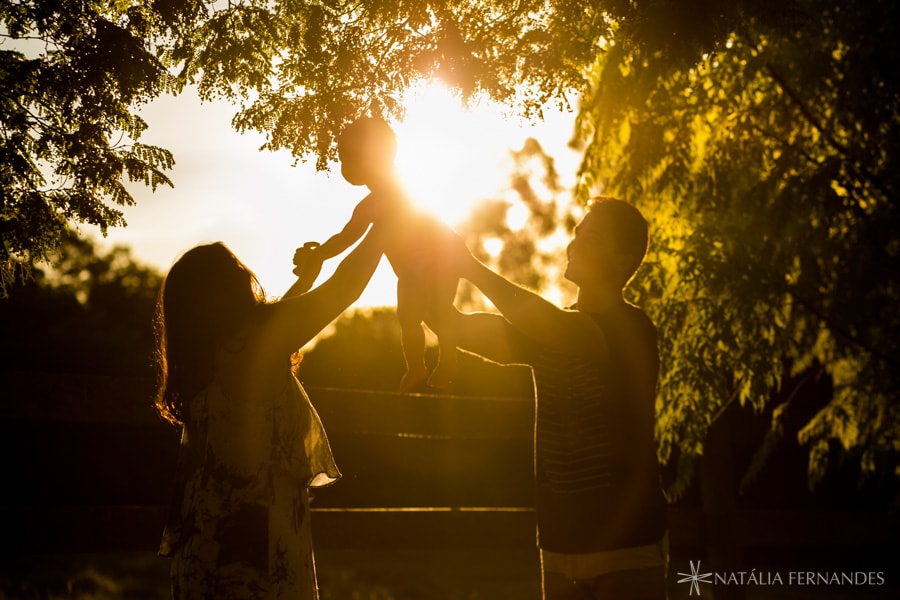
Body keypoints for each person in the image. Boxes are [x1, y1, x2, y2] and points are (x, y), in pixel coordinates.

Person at [441, 198, 668, 599]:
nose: (575, 244)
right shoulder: (548, 330)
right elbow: (455, 327)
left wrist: (470, 267)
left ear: (621, 262)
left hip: (628, 549)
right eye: (578, 233)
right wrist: (415, 266)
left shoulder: (631, 330)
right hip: (559, 550)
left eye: (592, 238)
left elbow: (552, 325)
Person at [153, 224, 385, 599]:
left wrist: (305, 282)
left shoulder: (206, 357)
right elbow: (346, 287)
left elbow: (268, 339)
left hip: (207, 550)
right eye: (237, 271)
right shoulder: (252, 344)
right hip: (254, 555)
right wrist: (389, 221)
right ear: (227, 293)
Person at [292, 116, 459, 392]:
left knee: (433, 315)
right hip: (415, 270)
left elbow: (347, 237)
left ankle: (445, 360)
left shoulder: (396, 193)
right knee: (411, 317)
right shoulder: (374, 202)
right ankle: (420, 365)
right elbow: (345, 237)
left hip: (435, 260)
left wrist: (321, 254)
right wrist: (320, 253)